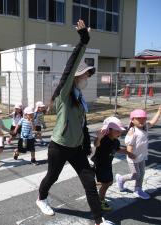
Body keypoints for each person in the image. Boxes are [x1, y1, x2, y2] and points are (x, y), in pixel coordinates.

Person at [36, 20, 114, 225]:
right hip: (59, 147)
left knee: (89, 183)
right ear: (76, 77)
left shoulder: (80, 99)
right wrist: (83, 41)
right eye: (85, 74)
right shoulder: (64, 94)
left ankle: (99, 220)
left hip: (76, 149)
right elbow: (69, 69)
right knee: (52, 177)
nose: (88, 77)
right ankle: (41, 199)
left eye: (89, 74)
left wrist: (86, 143)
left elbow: (83, 124)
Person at [116, 106, 161, 199]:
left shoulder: (145, 127)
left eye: (143, 118)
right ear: (132, 120)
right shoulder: (133, 132)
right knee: (136, 175)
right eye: (138, 119)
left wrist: (159, 111)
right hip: (133, 158)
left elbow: (153, 121)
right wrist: (131, 154)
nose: (141, 120)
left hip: (142, 156)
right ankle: (121, 179)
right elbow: (129, 145)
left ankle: (138, 189)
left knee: (142, 173)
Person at [92, 117, 134, 211]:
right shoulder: (103, 139)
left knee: (107, 182)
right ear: (109, 130)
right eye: (117, 131)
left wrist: (128, 152)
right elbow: (96, 144)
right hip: (101, 164)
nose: (120, 133)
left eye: (120, 131)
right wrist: (98, 137)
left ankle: (92, 185)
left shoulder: (116, 141)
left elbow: (117, 149)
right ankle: (100, 201)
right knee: (107, 183)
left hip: (107, 164)